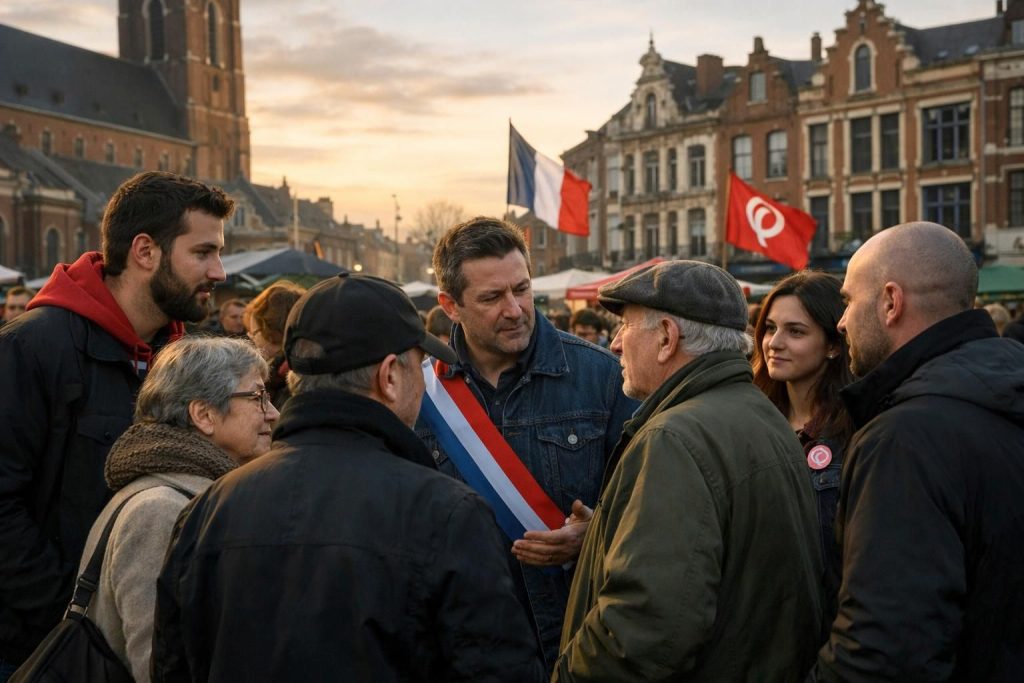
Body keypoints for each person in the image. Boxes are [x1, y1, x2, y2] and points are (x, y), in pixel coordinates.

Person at [152, 274, 544, 681]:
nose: (424, 384)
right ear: (390, 376)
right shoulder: (446, 515)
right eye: (420, 366)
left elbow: (172, 668)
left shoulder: (208, 510)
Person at [0, 171, 232, 675]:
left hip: (154, 644)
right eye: (203, 252)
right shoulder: (33, 347)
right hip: (49, 652)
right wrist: (74, 613)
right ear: (145, 251)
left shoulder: (184, 357)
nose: (219, 271)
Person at [555, 261, 823, 682]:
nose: (616, 344)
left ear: (666, 337)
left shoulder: (674, 438)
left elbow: (642, 630)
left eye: (626, 326)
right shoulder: (760, 415)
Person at [417, 217, 639, 670]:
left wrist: (595, 533)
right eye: (492, 297)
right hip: (464, 645)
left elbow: (652, 507)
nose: (515, 309)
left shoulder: (604, 377)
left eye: (521, 289)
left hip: (581, 638)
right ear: (450, 306)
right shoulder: (418, 395)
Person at [812, 222, 1024, 682]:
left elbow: (883, 655)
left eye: (848, 301)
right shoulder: (1001, 390)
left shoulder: (904, 439)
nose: (841, 321)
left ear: (891, 302)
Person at [75, 336, 277, 683]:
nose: (273, 413)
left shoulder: (184, 497)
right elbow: (156, 666)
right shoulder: (160, 511)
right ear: (204, 414)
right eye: (257, 396)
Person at [751, 271, 853, 627]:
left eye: (795, 331)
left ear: (833, 344)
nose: (774, 343)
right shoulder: (749, 419)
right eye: (769, 328)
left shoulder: (855, 429)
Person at [244, 281, 306, 409]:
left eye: (254, 333)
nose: (251, 339)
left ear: (271, 332)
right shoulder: (304, 364)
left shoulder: (284, 379)